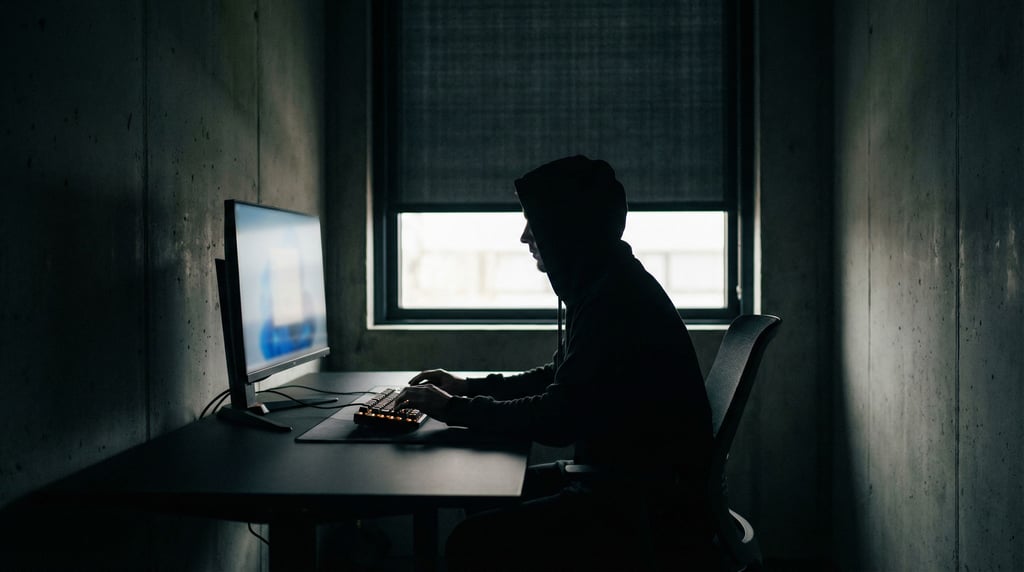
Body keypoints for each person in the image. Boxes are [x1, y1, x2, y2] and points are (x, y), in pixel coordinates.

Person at [395, 155, 716, 571]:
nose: (524, 236)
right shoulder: (606, 281)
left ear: (567, 228)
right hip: (623, 481)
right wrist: (467, 387)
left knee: (469, 542)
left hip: (640, 507)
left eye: (534, 222)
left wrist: (453, 409)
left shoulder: (614, 302)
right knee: (481, 496)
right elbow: (559, 379)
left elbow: (558, 418)